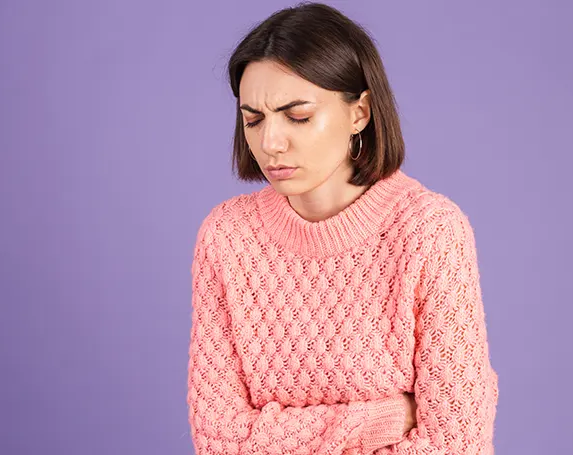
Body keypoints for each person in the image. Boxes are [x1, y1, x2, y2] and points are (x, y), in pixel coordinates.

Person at [186, 2, 499, 454]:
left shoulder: (429, 232)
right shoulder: (227, 237)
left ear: (360, 113)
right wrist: (377, 420)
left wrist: (273, 438)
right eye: (253, 119)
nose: (270, 142)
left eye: (298, 116)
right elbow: (218, 442)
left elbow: (458, 443)